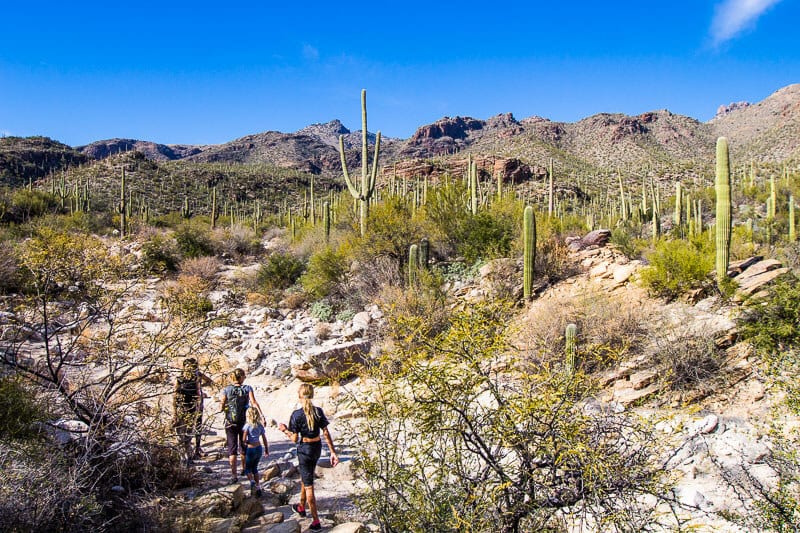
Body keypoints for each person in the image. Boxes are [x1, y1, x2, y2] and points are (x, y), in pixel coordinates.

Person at [278, 383, 339, 531]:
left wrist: (284, 430)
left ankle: (316, 521)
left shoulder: (297, 414)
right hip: (317, 448)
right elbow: (325, 432)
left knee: (309, 485)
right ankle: (300, 506)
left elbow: (294, 438)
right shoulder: (318, 411)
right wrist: (332, 452)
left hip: (304, 449)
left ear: (299, 396)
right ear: (312, 395)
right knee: (307, 478)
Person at [219, 368, 265, 484]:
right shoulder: (247, 388)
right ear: (241, 377)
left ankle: (233, 475)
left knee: (232, 448)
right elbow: (254, 402)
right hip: (244, 422)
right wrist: (261, 415)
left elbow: (221, 405)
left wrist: (224, 408)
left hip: (230, 422)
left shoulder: (227, 389)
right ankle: (244, 469)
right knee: (243, 446)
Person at [173, 357, 214, 464]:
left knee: (193, 428)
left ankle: (195, 450)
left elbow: (209, 382)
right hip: (185, 407)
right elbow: (175, 395)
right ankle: (187, 454)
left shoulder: (196, 377)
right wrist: (175, 412)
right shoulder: (181, 379)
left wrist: (200, 389)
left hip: (194, 406)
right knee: (183, 431)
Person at [242, 407, 269, 497]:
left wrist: (246, 443)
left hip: (251, 448)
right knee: (255, 468)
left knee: (247, 468)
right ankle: (258, 486)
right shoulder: (260, 425)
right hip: (259, 448)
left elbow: (244, 439)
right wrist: (266, 449)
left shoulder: (247, 426)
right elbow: (264, 438)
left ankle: (252, 481)